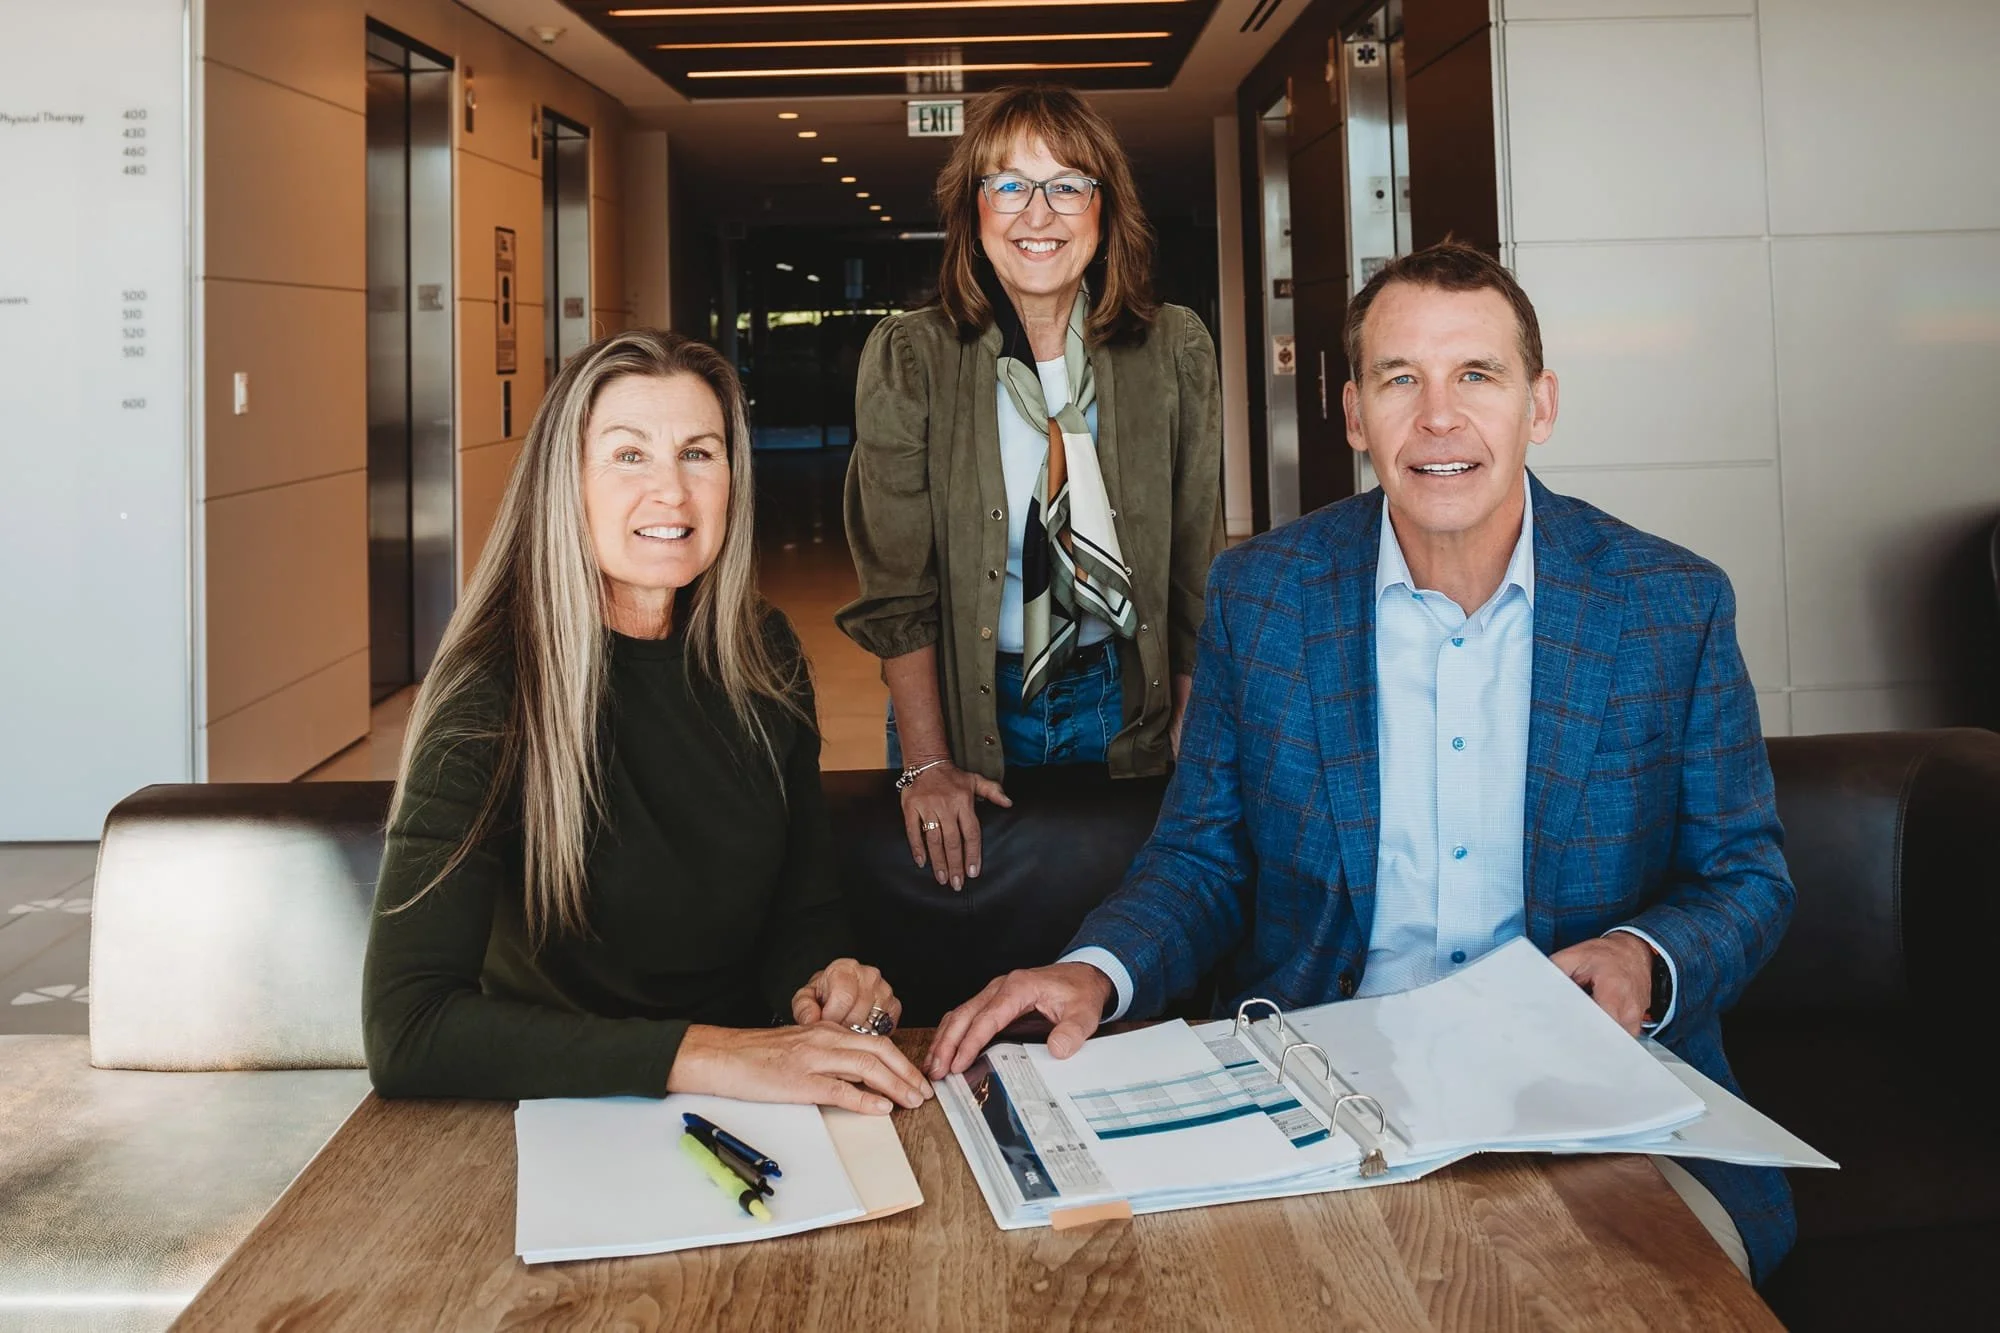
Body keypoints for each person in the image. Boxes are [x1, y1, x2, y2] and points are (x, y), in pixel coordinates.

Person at [927, 242, 1797, 1283]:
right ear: (1351, 415)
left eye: (1475, 375)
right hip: (1322, 1092)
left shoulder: (1668, 603)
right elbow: (1201, 859)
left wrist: (1639, 957)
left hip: (1596, 1102)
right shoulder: (1264, 594)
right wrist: (1092, 971)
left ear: (1540, 403)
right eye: (1400, 381)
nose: (1438, 418)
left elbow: (1744, 874)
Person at [363, 329, 930, 1118]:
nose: (672, 490)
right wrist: (713, 1052)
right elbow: (408, 1029)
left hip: (747, 1102)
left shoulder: (762, 653)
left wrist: (823, 981)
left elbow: (802, 911)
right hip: (559, 1118)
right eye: (630, 455)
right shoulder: (490, 690)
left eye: (699, 452)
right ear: (568, 481)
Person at [838, 84, 1223, 893]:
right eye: (1008, 185)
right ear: (973, 213)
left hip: (1124, 697)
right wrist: (928, 759)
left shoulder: (1172, 350)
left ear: (1104, 209)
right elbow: (897, 588)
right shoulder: (913, 359)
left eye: (1066, 185)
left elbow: (1194, 564)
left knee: (1131, 932)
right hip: (965, 706)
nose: (1036, 214)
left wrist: (1194, 715)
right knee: (969, 932)